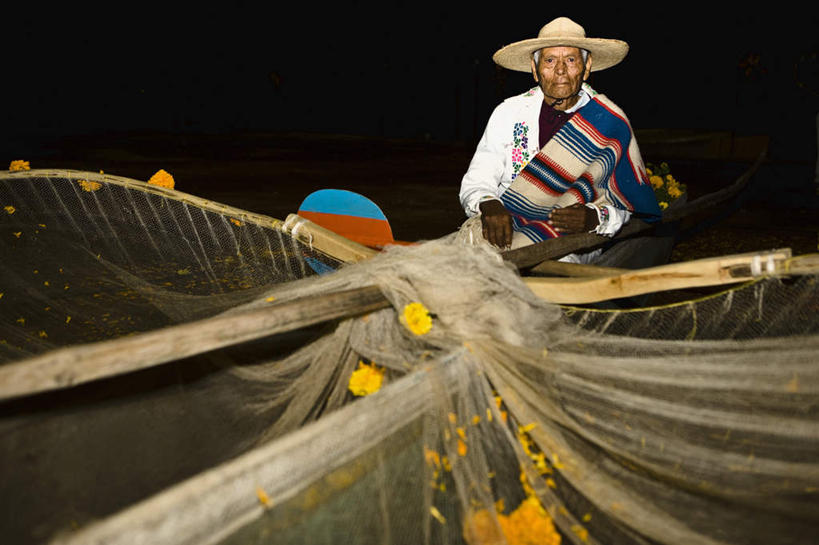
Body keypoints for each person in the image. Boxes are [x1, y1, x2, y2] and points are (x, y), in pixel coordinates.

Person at [459, 17, 661, 260]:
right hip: (508, 228)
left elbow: (626, 202)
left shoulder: (609, 121)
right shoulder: (509, 113)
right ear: (535, 69)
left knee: (560, 264)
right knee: (465, 259)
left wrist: (595, 217)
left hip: (573, 239)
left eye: (571, 60)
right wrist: (489, 203)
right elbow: (477, 181)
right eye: (550, 60)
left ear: (587, 67)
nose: (561, 70)